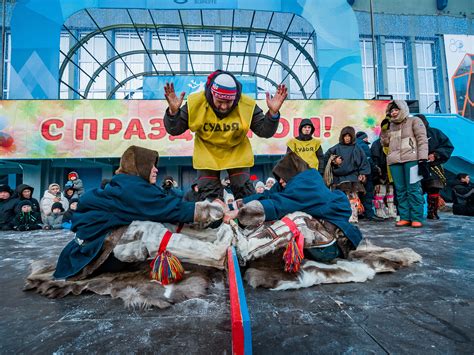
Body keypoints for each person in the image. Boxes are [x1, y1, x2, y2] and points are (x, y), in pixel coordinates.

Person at [53, 145, 225, 280]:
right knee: (149, 230)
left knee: (162, 223)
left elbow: (167, 210)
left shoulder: (128, 184)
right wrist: (218, 211)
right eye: (151, 166)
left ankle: (213, 238)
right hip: (95, 254)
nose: (156, 170)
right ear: (139, 166)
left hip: (98, 247)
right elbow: (172, 209)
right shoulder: (130, 187)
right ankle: (218, 255)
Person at [164, 70, 287, 200]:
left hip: (236, 152)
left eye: (228, 102)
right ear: (212, 94)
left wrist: (273, 114)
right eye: (220, 101)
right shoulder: (196, 103)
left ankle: (246, 217)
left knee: (244, 192)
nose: (223, 106)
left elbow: (264, 131)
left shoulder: (246, 104)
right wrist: (173, 113)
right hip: (208, 154)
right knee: (210, 197)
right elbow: (175, 130)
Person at [224, 152, 363, 261]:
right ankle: (247, 237)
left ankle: (247, 249)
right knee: (278, 214)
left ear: (291, 174)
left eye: (282, 176)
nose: (280, 181)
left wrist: (239, 213)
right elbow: (269, 196)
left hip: (332, 245)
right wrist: (232, 206)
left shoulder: (307, 185)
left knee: (296, 219)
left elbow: (278, 205)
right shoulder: (294, 184)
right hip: (320, 240)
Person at [384, 100, 428, 228]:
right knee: (401, 190)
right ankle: (404, 217)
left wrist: (423, 159)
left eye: (396, 110)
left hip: (412, 159)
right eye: (391, 111)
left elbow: (422, 140)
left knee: (413, 189)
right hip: (394, 161)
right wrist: (384, 130)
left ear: (402, 109)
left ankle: (416, 217)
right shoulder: (390, 125)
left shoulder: (414, 121)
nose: (393, 113)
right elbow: (385, 143)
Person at [324, 126, 371, 223]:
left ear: (352, 137)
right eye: (345, 136)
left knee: (353, 198)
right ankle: (341, 217)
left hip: (352, 177)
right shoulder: (335, 148)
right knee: (340, 198)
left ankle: (353, 216)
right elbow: (326, 158)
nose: (347, 138)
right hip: (338, 178)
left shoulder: (357, 148)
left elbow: (364, 162)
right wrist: (333, 160)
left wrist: (363, 173)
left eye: (349, 136)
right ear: (342, 136)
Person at [415, 114, 454, 220]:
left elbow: (448, 146)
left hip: (433, 166)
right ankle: (415, 214)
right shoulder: (411, 134)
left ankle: (432, 212)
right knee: (415, 191)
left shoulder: (435, 133)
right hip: (415, 166)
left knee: (434, 189)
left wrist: (436, 154)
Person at [371, 118, 397, 219]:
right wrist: (378, 170)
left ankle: (391, 210)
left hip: (391, 171)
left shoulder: (394, 142)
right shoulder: (377, 144)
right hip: (381, 172)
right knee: (380, 193)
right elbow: (375, 158)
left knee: (390, 193)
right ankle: (379, 210)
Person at [355, 131, 383, 221]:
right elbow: (368, 160)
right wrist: (376, 169)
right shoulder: (364, 145)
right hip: (366, 174)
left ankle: (359, 213)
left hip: (355, 174)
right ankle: (369, 214)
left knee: (358, 195)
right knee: (368, 194)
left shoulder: (353, 145)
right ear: (364, 138)